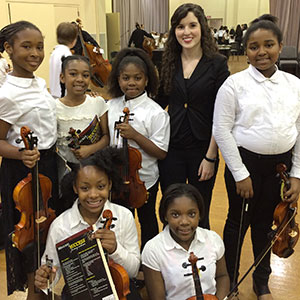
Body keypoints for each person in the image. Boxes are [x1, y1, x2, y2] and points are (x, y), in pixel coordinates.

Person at [213, 14, 300, 300]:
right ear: (245, 49)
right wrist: (240, 173)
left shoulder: (294, 84)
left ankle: (261, 283)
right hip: (245, 165)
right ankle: (231, 282)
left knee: (267, 225)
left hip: (280, 167)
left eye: (268, 45)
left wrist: (297, 173)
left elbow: (299, 131)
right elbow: (222, 131)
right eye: (253, 46)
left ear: (281, 46)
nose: (261, 52)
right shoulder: (234, 85)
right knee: (237, 225)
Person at [156, 3, 229, 229]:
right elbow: (158, 105)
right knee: (172, 209)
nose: (186, 32)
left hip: (203, 149)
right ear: (173, 31)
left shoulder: (217, 64)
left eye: (192, 25)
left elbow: (222, 114)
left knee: (200, 209)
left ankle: (200, 261)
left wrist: (211, 156)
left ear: (202, 28)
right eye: (180, 26)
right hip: (172, 148)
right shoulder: (168, 62)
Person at [34, 147, 143, 300]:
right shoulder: (60, 226)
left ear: (110, 185)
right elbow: (52, 269)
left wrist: (115, 249)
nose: (93, 195)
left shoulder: (124, 216)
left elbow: (132, 271)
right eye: (85, 188)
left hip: (120, 290)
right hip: (80, 292)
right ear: (75, 188)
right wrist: (47, 278)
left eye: (101, 186)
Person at [0, 20, 59, 299]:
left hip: (48, 166)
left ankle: (48, 290)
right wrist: (21, 154)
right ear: (9, 49)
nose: (35, 53)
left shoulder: (41, 83)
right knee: (29, 241)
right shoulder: (7, 94)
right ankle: (35, 294)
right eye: (26, 47)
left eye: (39, 47)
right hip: (22, 171)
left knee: (48, 232)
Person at [107, 47, 170, 250]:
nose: (131, 83)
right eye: (126, 78)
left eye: (137, 78)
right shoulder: (111, 106)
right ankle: (124, 261)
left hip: (144, 180)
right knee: (120, 222)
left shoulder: (156, 112)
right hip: (116, 177)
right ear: (118, 79)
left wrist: (135, 135)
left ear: (146, 80)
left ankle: (148, 262)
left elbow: (161, 151)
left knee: (147, 220)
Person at [142, 183, 230, 300]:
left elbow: (222, 276)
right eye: (175, 215)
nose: (184, 222)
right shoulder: (153, 249)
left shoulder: (213, 239)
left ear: (200, 214)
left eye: (191, 214)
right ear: (165, 216)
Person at [56, 55, 109, 190]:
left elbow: (106, 137)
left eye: (85, 75)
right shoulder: (54, 107)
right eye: (73, 74)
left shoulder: (97, 102)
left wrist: (90, 149)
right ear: (62, 77)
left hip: (95, 171)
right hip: (65, 173)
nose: (80, 79)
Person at [49, 22, 78, 98]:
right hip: (63, 94)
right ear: (74, 40)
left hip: (54, 92)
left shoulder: (54, 53)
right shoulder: (67, 55)